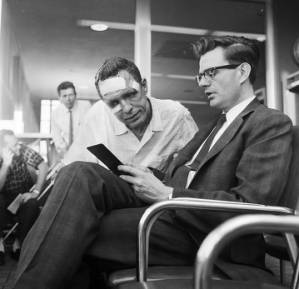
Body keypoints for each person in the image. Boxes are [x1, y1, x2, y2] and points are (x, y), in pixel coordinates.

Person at [12, 36, 293, 289]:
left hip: (207, 236)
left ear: (243, 71)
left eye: (210, 73)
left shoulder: (268, 122)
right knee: (79, 173)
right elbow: (182, 175)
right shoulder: (214, 125)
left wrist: (167, 194)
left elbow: (252, 204)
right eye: (200, 76)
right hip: (173, 214)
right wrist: (151, 177)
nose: (203, 82)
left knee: (72, 229)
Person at [63, 57, 198, 173]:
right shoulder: (97, 115)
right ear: (105, 103)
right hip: (112, 198)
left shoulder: (176, 116)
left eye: (131, 94)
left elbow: (196, 169)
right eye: (114, 103)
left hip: (158, 198)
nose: (126, 108)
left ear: (144, 86)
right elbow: (73, 166)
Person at [0, 130, 49, 265]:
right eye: (14, 146)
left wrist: (36, 191)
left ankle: (19, 242)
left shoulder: (22, 150)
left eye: (17, 143)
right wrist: (5, 165)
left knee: (32, 204)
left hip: (22, 194)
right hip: (3, 195)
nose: (18, 147)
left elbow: (43, 166)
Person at [51, 81, 91, 159]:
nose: (68, 99)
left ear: (75, 95)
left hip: (85, 150)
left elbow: (91, 129)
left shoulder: (86, 107)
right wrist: (66, 154)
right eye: (64, 96)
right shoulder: (55, 113)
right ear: (59, 98)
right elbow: (57, 136)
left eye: (70, 95)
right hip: (67, 151)